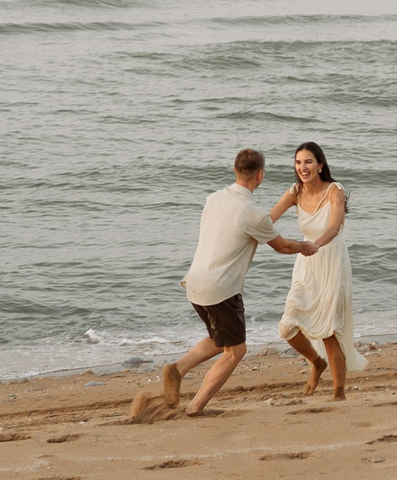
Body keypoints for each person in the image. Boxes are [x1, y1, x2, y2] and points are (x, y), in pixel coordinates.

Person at [136, 148, 306, 421]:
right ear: (260, 175)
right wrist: (307, 247)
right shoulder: (252, 213)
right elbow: (282, 246)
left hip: (195, 283)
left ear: (235, 171)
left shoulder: (214, 199)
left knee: (219, 339)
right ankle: (195, 407)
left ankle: (177, 370)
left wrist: (285, 202)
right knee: (235, 350)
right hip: (221, 290)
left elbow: (259, 226)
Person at [268, 140, 367, 400]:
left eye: (308, 161)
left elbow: (335, 226)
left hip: (331, 263)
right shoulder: (294, 192)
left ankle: (339, 393)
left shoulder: (335, 190)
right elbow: (267, 220)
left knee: (328, 331)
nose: (303, 167)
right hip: (306, 265)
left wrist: (315, 245)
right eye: (298, 162)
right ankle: (316, 362)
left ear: (320, 165)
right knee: (288, 325)